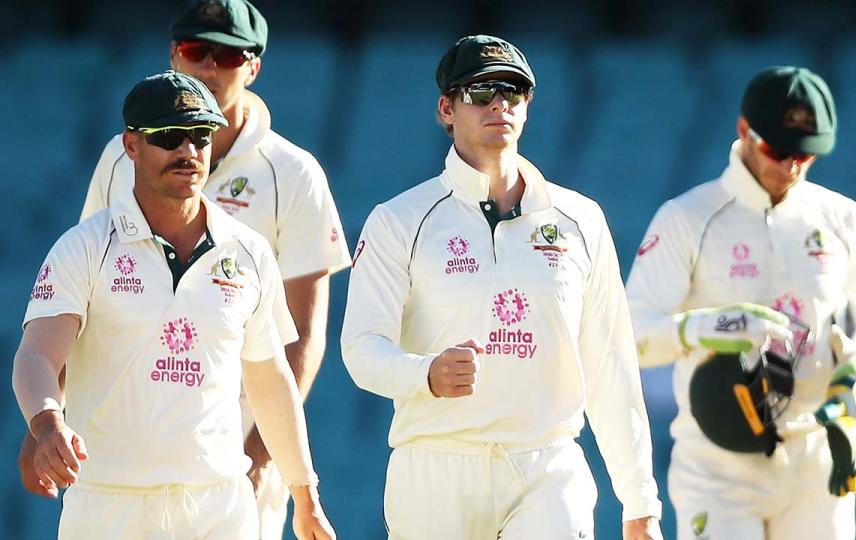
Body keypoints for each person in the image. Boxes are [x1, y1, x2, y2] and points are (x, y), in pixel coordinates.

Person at [17, 1, 351, 537]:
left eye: (198, 135)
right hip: (111, 488)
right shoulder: (90, 229)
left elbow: (290, 350)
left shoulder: (282, 191)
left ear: (254, 64)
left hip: (225, 481)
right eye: (197, 50)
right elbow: (64, 322)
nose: (209, 67)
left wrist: (280, 470)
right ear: (133, 146)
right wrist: (44, 422)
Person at [341, 34, 663, 540]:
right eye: (480, 92)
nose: (498, 104)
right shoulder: (398, 220)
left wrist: (640, 499)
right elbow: (361, 349)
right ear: (446, 108)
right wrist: (425, 373)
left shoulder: (581, 219)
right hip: (434, 467)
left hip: (548, 468)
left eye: (512, 93)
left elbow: (610, 364)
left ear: (527, 108)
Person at [624, 66, 856, 540]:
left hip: (815, 466)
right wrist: (713, 327)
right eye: (777, 150)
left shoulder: (843, 218)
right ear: (744, 130)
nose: (791, 167)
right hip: (717, 465)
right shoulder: (687, 217)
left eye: (806, 154)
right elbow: (629, 337)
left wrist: (851, 399)